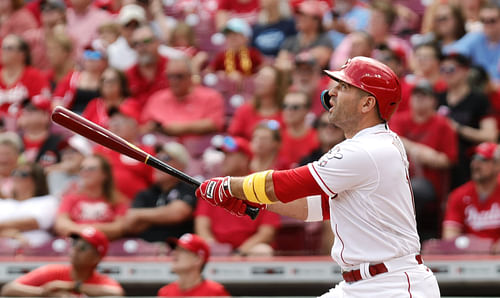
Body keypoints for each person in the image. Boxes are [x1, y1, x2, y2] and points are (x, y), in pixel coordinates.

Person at [195, 57, 440, 297]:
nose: (331, 93)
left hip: (392, 285)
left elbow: (280, 184)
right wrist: (258, 200)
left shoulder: (367, 149)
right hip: (361, 284)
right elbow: (315, 207)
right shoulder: (372, 143)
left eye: (343, 87)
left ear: (367, 104)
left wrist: (230, 185)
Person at [390, 81, 458, 241]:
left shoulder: (443, 125)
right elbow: (391, 139)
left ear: (433, 101)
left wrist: (427, 156)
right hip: (399, 181)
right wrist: (417, 149)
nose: (419, 99)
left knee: (417, 190)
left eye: (424, 96)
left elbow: (448, 160)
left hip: (431, 186)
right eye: (416, 95)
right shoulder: (399, 119)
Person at [195, 136, 280, 256]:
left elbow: (266, 232)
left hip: (248, 250)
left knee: (262, 251)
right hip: (218, 249)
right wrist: (213, 247)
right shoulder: (214, 185)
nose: (224, 159)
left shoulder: (262, 185)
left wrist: (240, 252)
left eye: (230, 155)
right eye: (224, 155)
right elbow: (202, 225)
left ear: (245, 159)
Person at [0, 227, 124, 297]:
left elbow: (117, 293)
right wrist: (44, 293)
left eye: (83, 247)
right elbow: (8, 289)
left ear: (97, 257)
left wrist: (71, 287)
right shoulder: (52, 271)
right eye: (74, 243)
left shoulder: (101, 281)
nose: (75, 249)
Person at [142, 57, 225, 159]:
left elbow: (214, 123)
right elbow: (144, 127)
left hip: (200, 154)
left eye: (179, 76)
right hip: (162, 154)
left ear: (190, 76)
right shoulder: (157, 98)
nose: (174, 81)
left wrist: (177, 128)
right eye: (170, 76)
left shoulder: (210, 96)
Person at [437, 52, 498, 189]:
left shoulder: (479, 99)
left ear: (466, 71)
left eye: (451, 69)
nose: (447, 73)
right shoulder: (437, 97)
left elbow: (490, 136)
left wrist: (457, 128)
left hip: (468, 162)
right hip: (441, 161)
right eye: (443, 69)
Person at [123, 142, 197, 242]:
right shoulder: (146, 193)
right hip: (147, 251)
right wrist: (162, 215)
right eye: (157, 159)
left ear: (181, 165)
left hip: (179, 250)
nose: (157, 164)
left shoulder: (189, 188)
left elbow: (178, 213)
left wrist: (139, 215)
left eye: (165, 159)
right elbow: (133, 226)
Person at [54, 154, 128, 240]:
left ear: (105, 174)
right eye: (82, 168)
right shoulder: (71, 198)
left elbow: (119, 228)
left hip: (106, 245)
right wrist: (86, 231)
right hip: (75, 244)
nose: (85, 172)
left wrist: (84, 229)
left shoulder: (117, 200)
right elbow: (61, 223)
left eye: (91, 169)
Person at [442, 142, 500, 242]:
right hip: (469, 255)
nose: (475, 164)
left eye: (483, 160)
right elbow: (449, 236)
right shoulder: (458, 195)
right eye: (474, 158)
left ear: (497, 165)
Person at [0, 162, 58, 247]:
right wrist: (13, 234)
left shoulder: (48, 200)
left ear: (36, 179)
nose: (16, 177)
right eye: (14, 173)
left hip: (37, 252)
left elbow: (36, 222)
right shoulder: (3, 202)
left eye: (22, 174)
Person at [158, 233, 230, 297]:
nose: (174, 253)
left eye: (182, 250)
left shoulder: (215, 293)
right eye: (175, 249)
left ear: (198, 259)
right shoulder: (165, 293)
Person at [228, 65, 287, 141]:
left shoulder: (286, 112)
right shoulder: (244, 110)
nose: (259, 81)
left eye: (265, 79)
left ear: (277, 85)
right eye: (259, 77)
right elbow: (230, 141)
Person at [126, 25, 169, 106]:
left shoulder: (172, 68)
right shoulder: (128, 74)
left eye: (146, 41)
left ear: (157, 42)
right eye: (136, 43)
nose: (141, 47)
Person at [279, 90, 319, 168]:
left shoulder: (316, 138)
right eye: (285, 106)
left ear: (307, 110)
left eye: (295, 107)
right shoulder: (276, 137)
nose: (289, 110)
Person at [0, 132, 22, 198]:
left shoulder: (24, 177)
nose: (3, 159)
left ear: (17, 156)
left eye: (7, 154)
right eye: (1, 154)